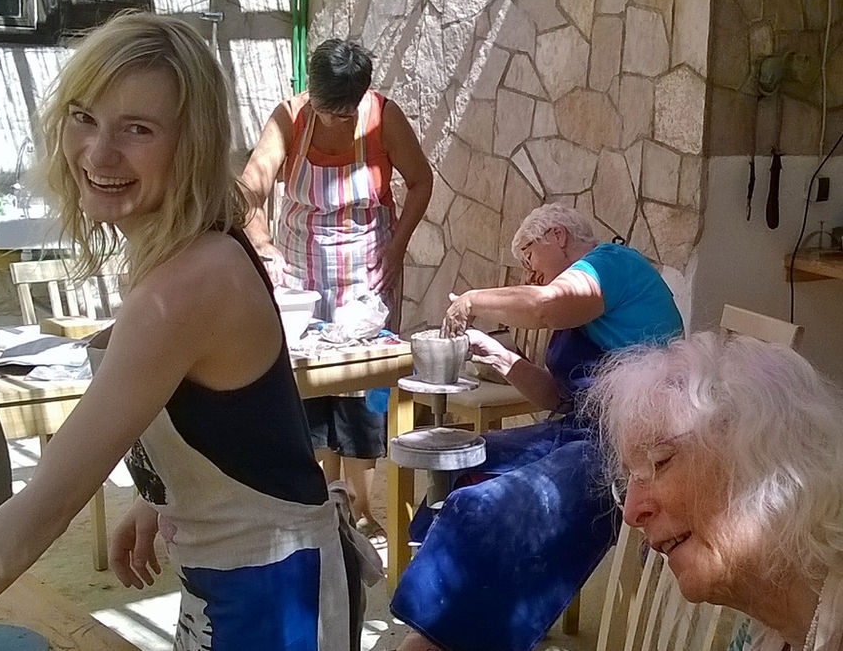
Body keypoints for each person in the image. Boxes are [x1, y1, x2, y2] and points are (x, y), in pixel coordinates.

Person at [0, 12, 358, 651]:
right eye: (83, 116)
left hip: (276, 591)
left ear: (189, 143)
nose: (99, 153)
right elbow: (239, 423)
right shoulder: (179, 249)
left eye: (137, 129)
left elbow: (47, 504)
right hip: (237, 579)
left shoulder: (189, 282)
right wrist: (164, 495)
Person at [392, 202, 684, 651]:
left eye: (530, 258)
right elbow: (558, 398)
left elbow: (544, 307)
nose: (530, 276)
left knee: (490, 505)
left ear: (558, 236)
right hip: (581, 428)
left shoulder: (609, 265)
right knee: (467, 459)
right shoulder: (582, 300)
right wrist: (500, 356)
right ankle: (466, 618)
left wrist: (473, 300)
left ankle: (455, 636)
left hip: (629, 446)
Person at [240, 38, 433, 545]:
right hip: (300, 269)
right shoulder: (289, 119)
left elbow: (420, 181)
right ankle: (323, 498)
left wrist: (398, 246)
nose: (333, 121)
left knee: (361, 385)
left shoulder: (384, 119)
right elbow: (249, 190)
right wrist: (263, 246)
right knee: (308, 382)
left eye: (343, 112)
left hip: (367, 269)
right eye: (326, 110)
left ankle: (363, 508)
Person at [587, 331, 843, 651]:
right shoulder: (766, 633)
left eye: (660, 462)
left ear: (766, 459)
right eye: (629, 482)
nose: (632, 512)